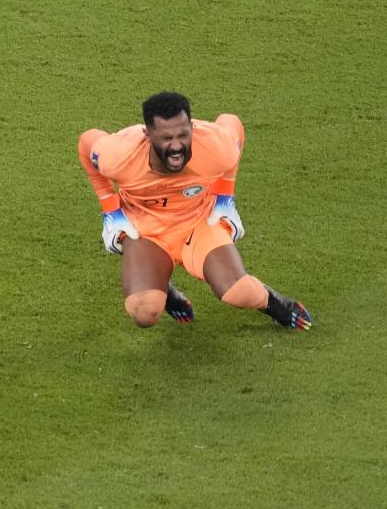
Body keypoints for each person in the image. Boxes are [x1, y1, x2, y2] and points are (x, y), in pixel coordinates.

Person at [77, 91, 311, 330]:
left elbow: (232, 123)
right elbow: (87, 142)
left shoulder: (213, 146)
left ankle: (274, 303)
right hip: (145, 230)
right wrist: (111, 210)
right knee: (143, 312)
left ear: (192, 127)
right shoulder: (119, 155)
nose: (177, 145)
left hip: (199, 222)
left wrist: (224, 195)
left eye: (183, 134)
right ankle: (163, 289)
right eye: (166, 137)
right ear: (147, 135)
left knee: (238, 293)